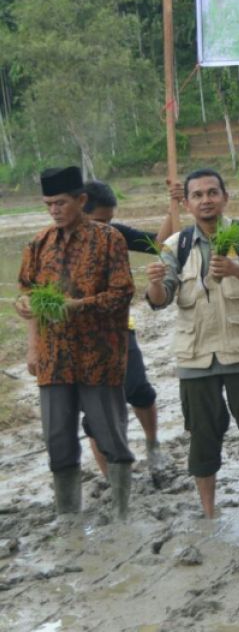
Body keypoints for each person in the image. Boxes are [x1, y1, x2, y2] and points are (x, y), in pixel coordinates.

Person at [146, 169, 239, 520]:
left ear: (225, 197)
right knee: (202, 436)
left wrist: (237, 269)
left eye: (212, 193)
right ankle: (209, 512)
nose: (206, 200)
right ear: (187, 202)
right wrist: (156, 284)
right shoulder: (175, 244)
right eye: (197, 195)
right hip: (196, 356)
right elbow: (160, 299)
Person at [17, 167, 135, 518]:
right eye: (49, 204)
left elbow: (122, 294)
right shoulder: (38, 244)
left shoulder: (107, 239)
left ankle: (121, 512)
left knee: (110, 435)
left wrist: (77, 307)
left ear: (81, 201)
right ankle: (68, 515)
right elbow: (28, 292)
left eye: (61, 203)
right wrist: (31, 335)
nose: (54, 210)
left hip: (99, 356)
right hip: (54, 360)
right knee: (58, 440)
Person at [81, 179, 183, 479]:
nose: (107, 229)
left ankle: (152, 445)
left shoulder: (116, 235)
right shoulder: (63, 245)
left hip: (121, 329)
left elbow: (159, 245)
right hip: (83, 339)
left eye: (110, 221)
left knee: (139, 390)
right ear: (80, 211)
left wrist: (171, 209)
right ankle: (112, 480)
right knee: (94, 415)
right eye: (99, 221)